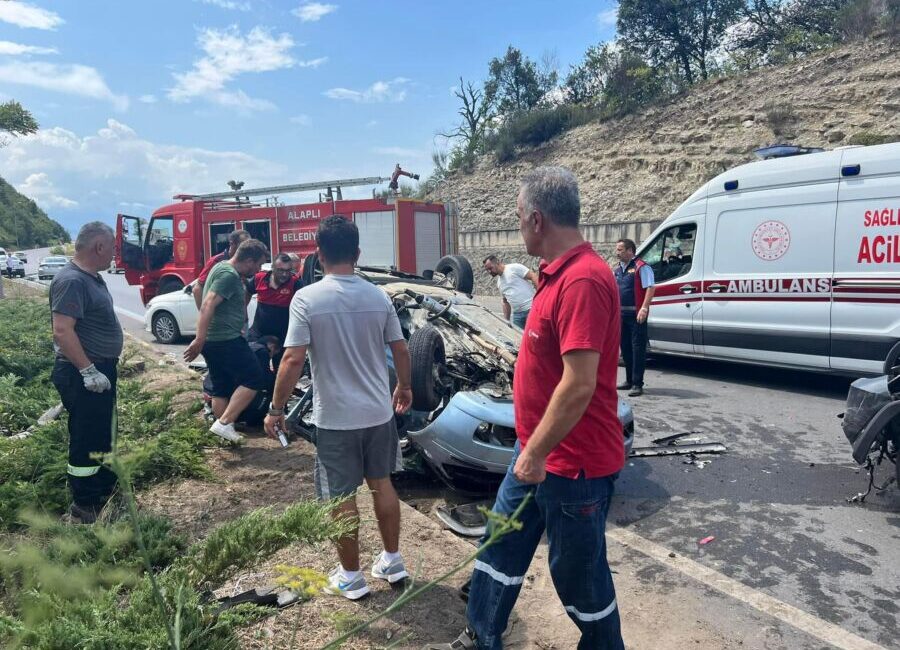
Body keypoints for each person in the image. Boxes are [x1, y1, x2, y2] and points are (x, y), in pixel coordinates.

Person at [428, 167, 625, 650]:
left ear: (537, 219)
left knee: (580, 579)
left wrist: (535, 453)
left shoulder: (582, 280)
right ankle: (481, 636)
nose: (518, 225)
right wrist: (531, 450)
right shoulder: (554, 275)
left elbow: (579, 385)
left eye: (519, 216)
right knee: (499, 545)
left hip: (571, 464)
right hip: (535, 451)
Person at [265, 215, 413, 601]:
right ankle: (393, 560)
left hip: (336, 419)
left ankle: (351, 577)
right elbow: (400, 349)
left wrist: (276, 409)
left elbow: (292, 358)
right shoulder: (378, 296)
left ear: (319, 254)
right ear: (357, 253)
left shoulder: (307, 298)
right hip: (379, 413)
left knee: (341, 496)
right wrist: (404, 386)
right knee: (382, 484)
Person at [49, 222, 123, 524]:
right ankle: (84, 505)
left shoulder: (91, 278)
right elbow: (62, 331)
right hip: (82, 373)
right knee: (86, 437)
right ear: (99, 247)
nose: (115, 254)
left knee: (101, 433)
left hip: (99, 370)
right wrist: (88, 370)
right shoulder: (72, 281)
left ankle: (104, 489)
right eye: (113, 247)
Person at [184, 239, 269, 443]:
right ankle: (224, 423)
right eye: (258, 265)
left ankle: (223, 432)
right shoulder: (228, 275)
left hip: (214, 340)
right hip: (225, 340)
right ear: (249, 261)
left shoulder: (220, 266)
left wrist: (203, 339)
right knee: (255, 378)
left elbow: (201, 291)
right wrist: (199, 339)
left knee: (221, 386)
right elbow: (208, 304)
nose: (258, 270)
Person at [247, 253, 304, 372]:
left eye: (288, 271)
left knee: (282, 371)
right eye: (281, 270)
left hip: (284, 335)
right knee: (255, 366)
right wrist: (242, 316)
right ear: (273, 267)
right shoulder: (259, 278)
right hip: (259, 332)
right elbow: (246, 293)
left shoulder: (295, 283)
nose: (284, 274)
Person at [614, 238, 655, 397]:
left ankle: (638, 384)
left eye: (620, 250)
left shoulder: (641, 267)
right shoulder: (618, 269)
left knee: (637, 349)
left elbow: (650, 287)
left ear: (630, 251)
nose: (617, 253)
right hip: (621, 315)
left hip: (636, 314)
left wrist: (644, 308)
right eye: (617, 249)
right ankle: (629, 380)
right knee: (625, 349)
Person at [192, 229, 250, 309]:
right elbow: (197, 289)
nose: (247, 250)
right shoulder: (216, 261)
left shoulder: (246, 263)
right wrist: (204, 313)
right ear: (232, 244)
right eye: (243, 246)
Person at [482, 255, 538, 328]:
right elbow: (505, 302)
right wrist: (507, 321)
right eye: (487, 270)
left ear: (497, 262)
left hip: (531, 309)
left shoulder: (514, 268)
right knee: (516, 334)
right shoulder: (499, 283)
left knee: (533, 334)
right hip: (517, 315)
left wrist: (541, 297)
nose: (489, 271)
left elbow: (533, 276)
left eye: (490, 268)